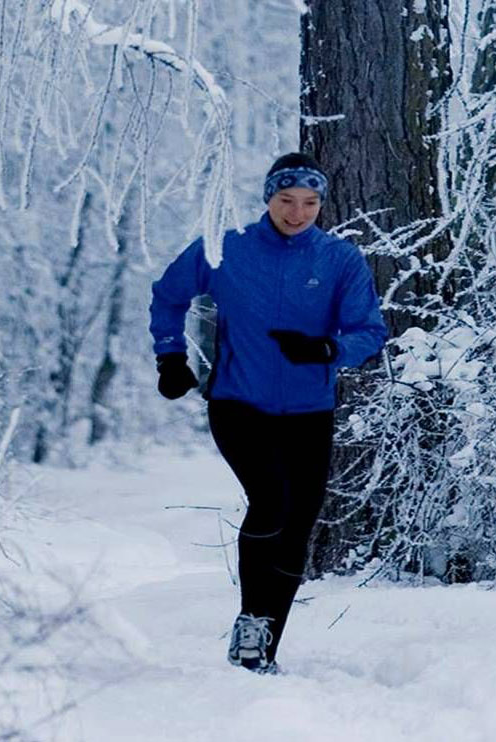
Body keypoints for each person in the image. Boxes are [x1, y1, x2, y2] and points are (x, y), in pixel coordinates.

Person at [149, 152, 387, 674]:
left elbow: (369, 330)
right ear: (268, 199)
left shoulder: (339, 259)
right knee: (271, 500)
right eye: (287, 201)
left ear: (321, 204)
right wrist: (171, 357)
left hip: (309, 409)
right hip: (239, 402)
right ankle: (251, 620)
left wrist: (327, 351)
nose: (298, 213)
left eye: (309, 203)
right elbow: (167, 296)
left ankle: (262, 647)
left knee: (298, 522)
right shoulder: (226, 248)